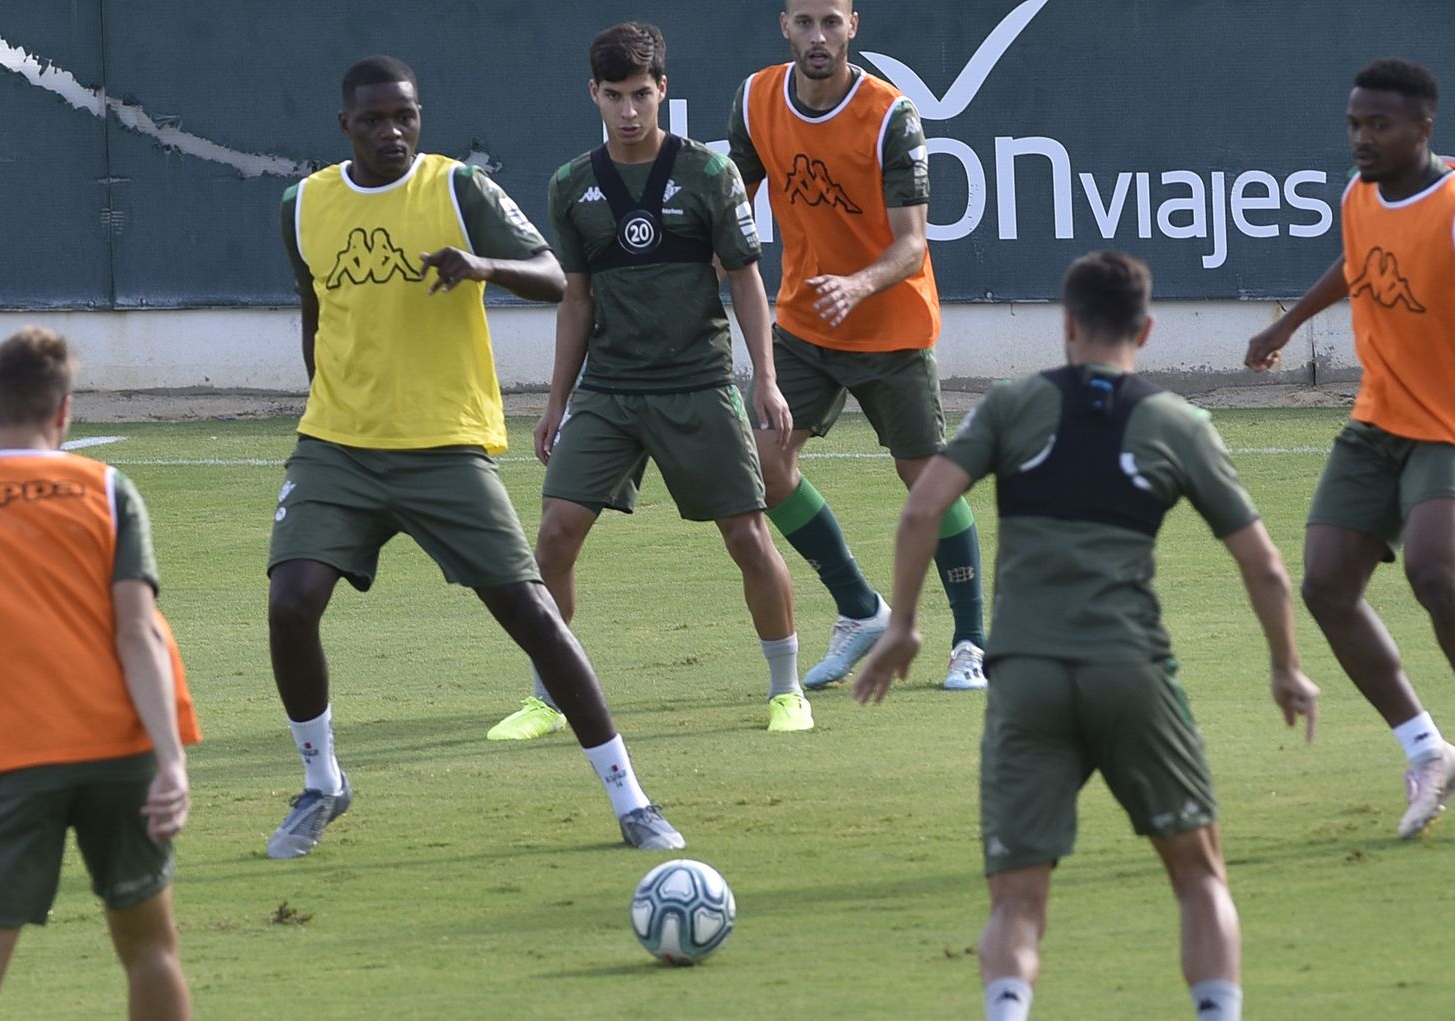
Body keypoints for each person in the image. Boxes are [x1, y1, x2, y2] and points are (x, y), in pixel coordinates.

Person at [856, 251, 1320, 1021]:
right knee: (1200, 874)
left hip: (1025, 679)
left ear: (1067, 325)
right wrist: (1286, 667)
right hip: (1131, 670)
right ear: (1147, 329)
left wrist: (904, 624)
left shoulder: (1011, 405)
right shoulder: (1180, 423)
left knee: (1016, 900)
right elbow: (1266, 567)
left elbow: (922, 509)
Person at [266, 55, 683, 858]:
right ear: (345, 126)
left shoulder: (459, 189)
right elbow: (313, 307)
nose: (392, 131)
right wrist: (329, 401)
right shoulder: (303, 204)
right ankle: (321, 783)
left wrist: (483, 265)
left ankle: (631, 798)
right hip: (337, 447)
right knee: (290, 602)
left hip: (445, 447)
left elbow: (555, 277)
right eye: (374, 120)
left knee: (533, 615)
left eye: (406, 116)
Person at [484, 23, 812, 742]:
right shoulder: (571, 185)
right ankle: (547, 697)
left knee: (747, 536)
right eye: (614, 95)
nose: (628, 110)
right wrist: (557, 401)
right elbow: (576, 300)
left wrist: (766, 378)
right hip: (609, 390)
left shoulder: (709, 174)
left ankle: (788, 690)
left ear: (662, 89)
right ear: (593, 94)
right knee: (554, 536)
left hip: (698, 383)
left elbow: (747, 281)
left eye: (640, 93)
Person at [0, 327, 200, 1021]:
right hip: (120, 750)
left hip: (5, 757)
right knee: (151, 952)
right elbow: (136, 633)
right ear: (65, 411)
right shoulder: (107, 490)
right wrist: (171, 760)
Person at [725, 0, 988, 692]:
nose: (818, 36)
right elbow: (730, 209)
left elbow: (911, 243)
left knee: (925, 479)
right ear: (784, 24)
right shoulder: (755, 99)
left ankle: (971, 640)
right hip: (805, 324)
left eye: (831, 22)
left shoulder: (891, 114)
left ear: (853, 25)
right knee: (764, 464)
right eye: (805, 22)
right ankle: (860, 608)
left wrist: (857, 284)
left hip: (892, 326)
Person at [1245, 57, 1455, 840]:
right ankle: (1427, 750)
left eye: (1380, 125)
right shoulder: (1358, 194)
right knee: (1327, 584)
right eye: (1355, 124)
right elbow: (1359, 261)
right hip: (1378, 420)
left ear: (1423, 128)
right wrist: (1288, 321)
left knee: (1436, 570)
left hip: (1448, 426)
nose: (1362, 138)